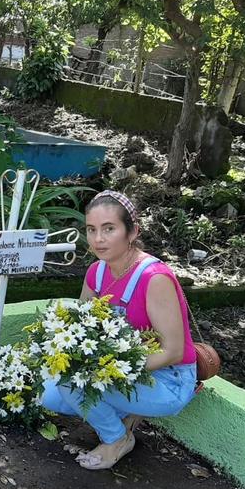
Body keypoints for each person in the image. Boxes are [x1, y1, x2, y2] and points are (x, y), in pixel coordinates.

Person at [41, 190, 198, 470]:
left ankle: (117, 439)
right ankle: (129, 411)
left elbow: (173, 352)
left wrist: (110, 374)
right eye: (91, 230)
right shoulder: (97, 272)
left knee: (72, 385)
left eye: (109, 229)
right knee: (52, 395)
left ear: (132, 231)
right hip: (120, 368)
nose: (98, 239)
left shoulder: (154, 278)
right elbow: (80, 326)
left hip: (168, 378)